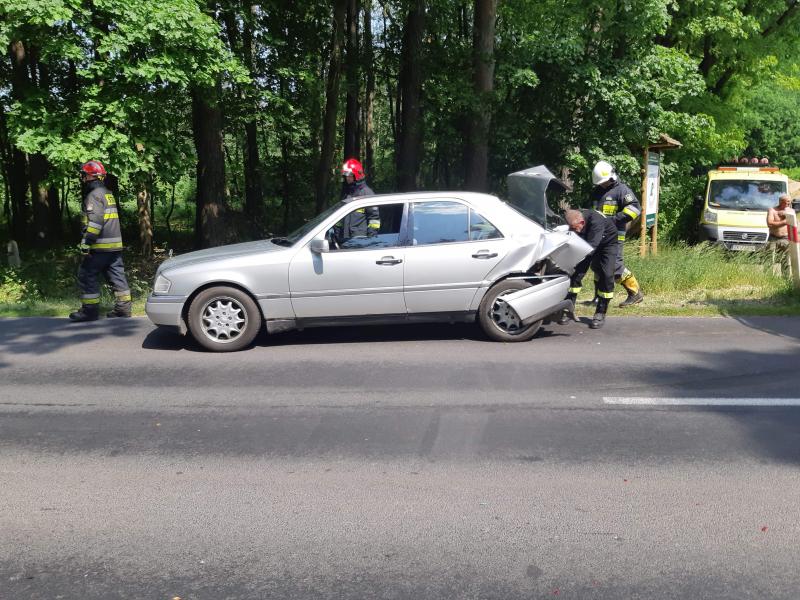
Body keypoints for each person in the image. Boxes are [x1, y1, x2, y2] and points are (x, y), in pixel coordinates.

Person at [69, 160, 132, 322]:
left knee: (87, 274)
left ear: (90, 176)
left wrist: (86, 244)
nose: (82, 178)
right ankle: (123, 309)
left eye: (84, 175)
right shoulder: (107, 193)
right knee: (117, 277)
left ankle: (89, 312)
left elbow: (95, 224)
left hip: (99, 247)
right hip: (114, 247)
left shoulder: (94, 196)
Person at [589, 160, 644, 307]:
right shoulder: (597, 191)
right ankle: (598, 296)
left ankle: (635, 293)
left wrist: (614, 220)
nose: (602, 184)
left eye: (604, 182)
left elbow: (635, 209)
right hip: (598, 235)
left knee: (614, 266)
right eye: (600, 182)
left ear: (611, 177)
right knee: (597, 265)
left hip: (614, 235)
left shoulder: (622, 190)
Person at [559, 208, 619, 329]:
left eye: (575, 228)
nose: (573, 231)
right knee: (575, 273)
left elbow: (591, 248)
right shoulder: (576, 218)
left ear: (582, 223)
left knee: (606, 275)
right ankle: (568, 308)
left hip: (607, 245)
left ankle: (600, 312)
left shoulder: (596, 223)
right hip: (588, 242)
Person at [333, 158, 379, 246]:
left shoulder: (366, 193)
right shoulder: (348, 193)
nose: (347, 178)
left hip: (360, 242)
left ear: (356, 175)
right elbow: (340, 217)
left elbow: (374, 219)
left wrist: (370, 239)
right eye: (346, 175)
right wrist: (337, 231)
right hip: (346, 240)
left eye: (349, 175)